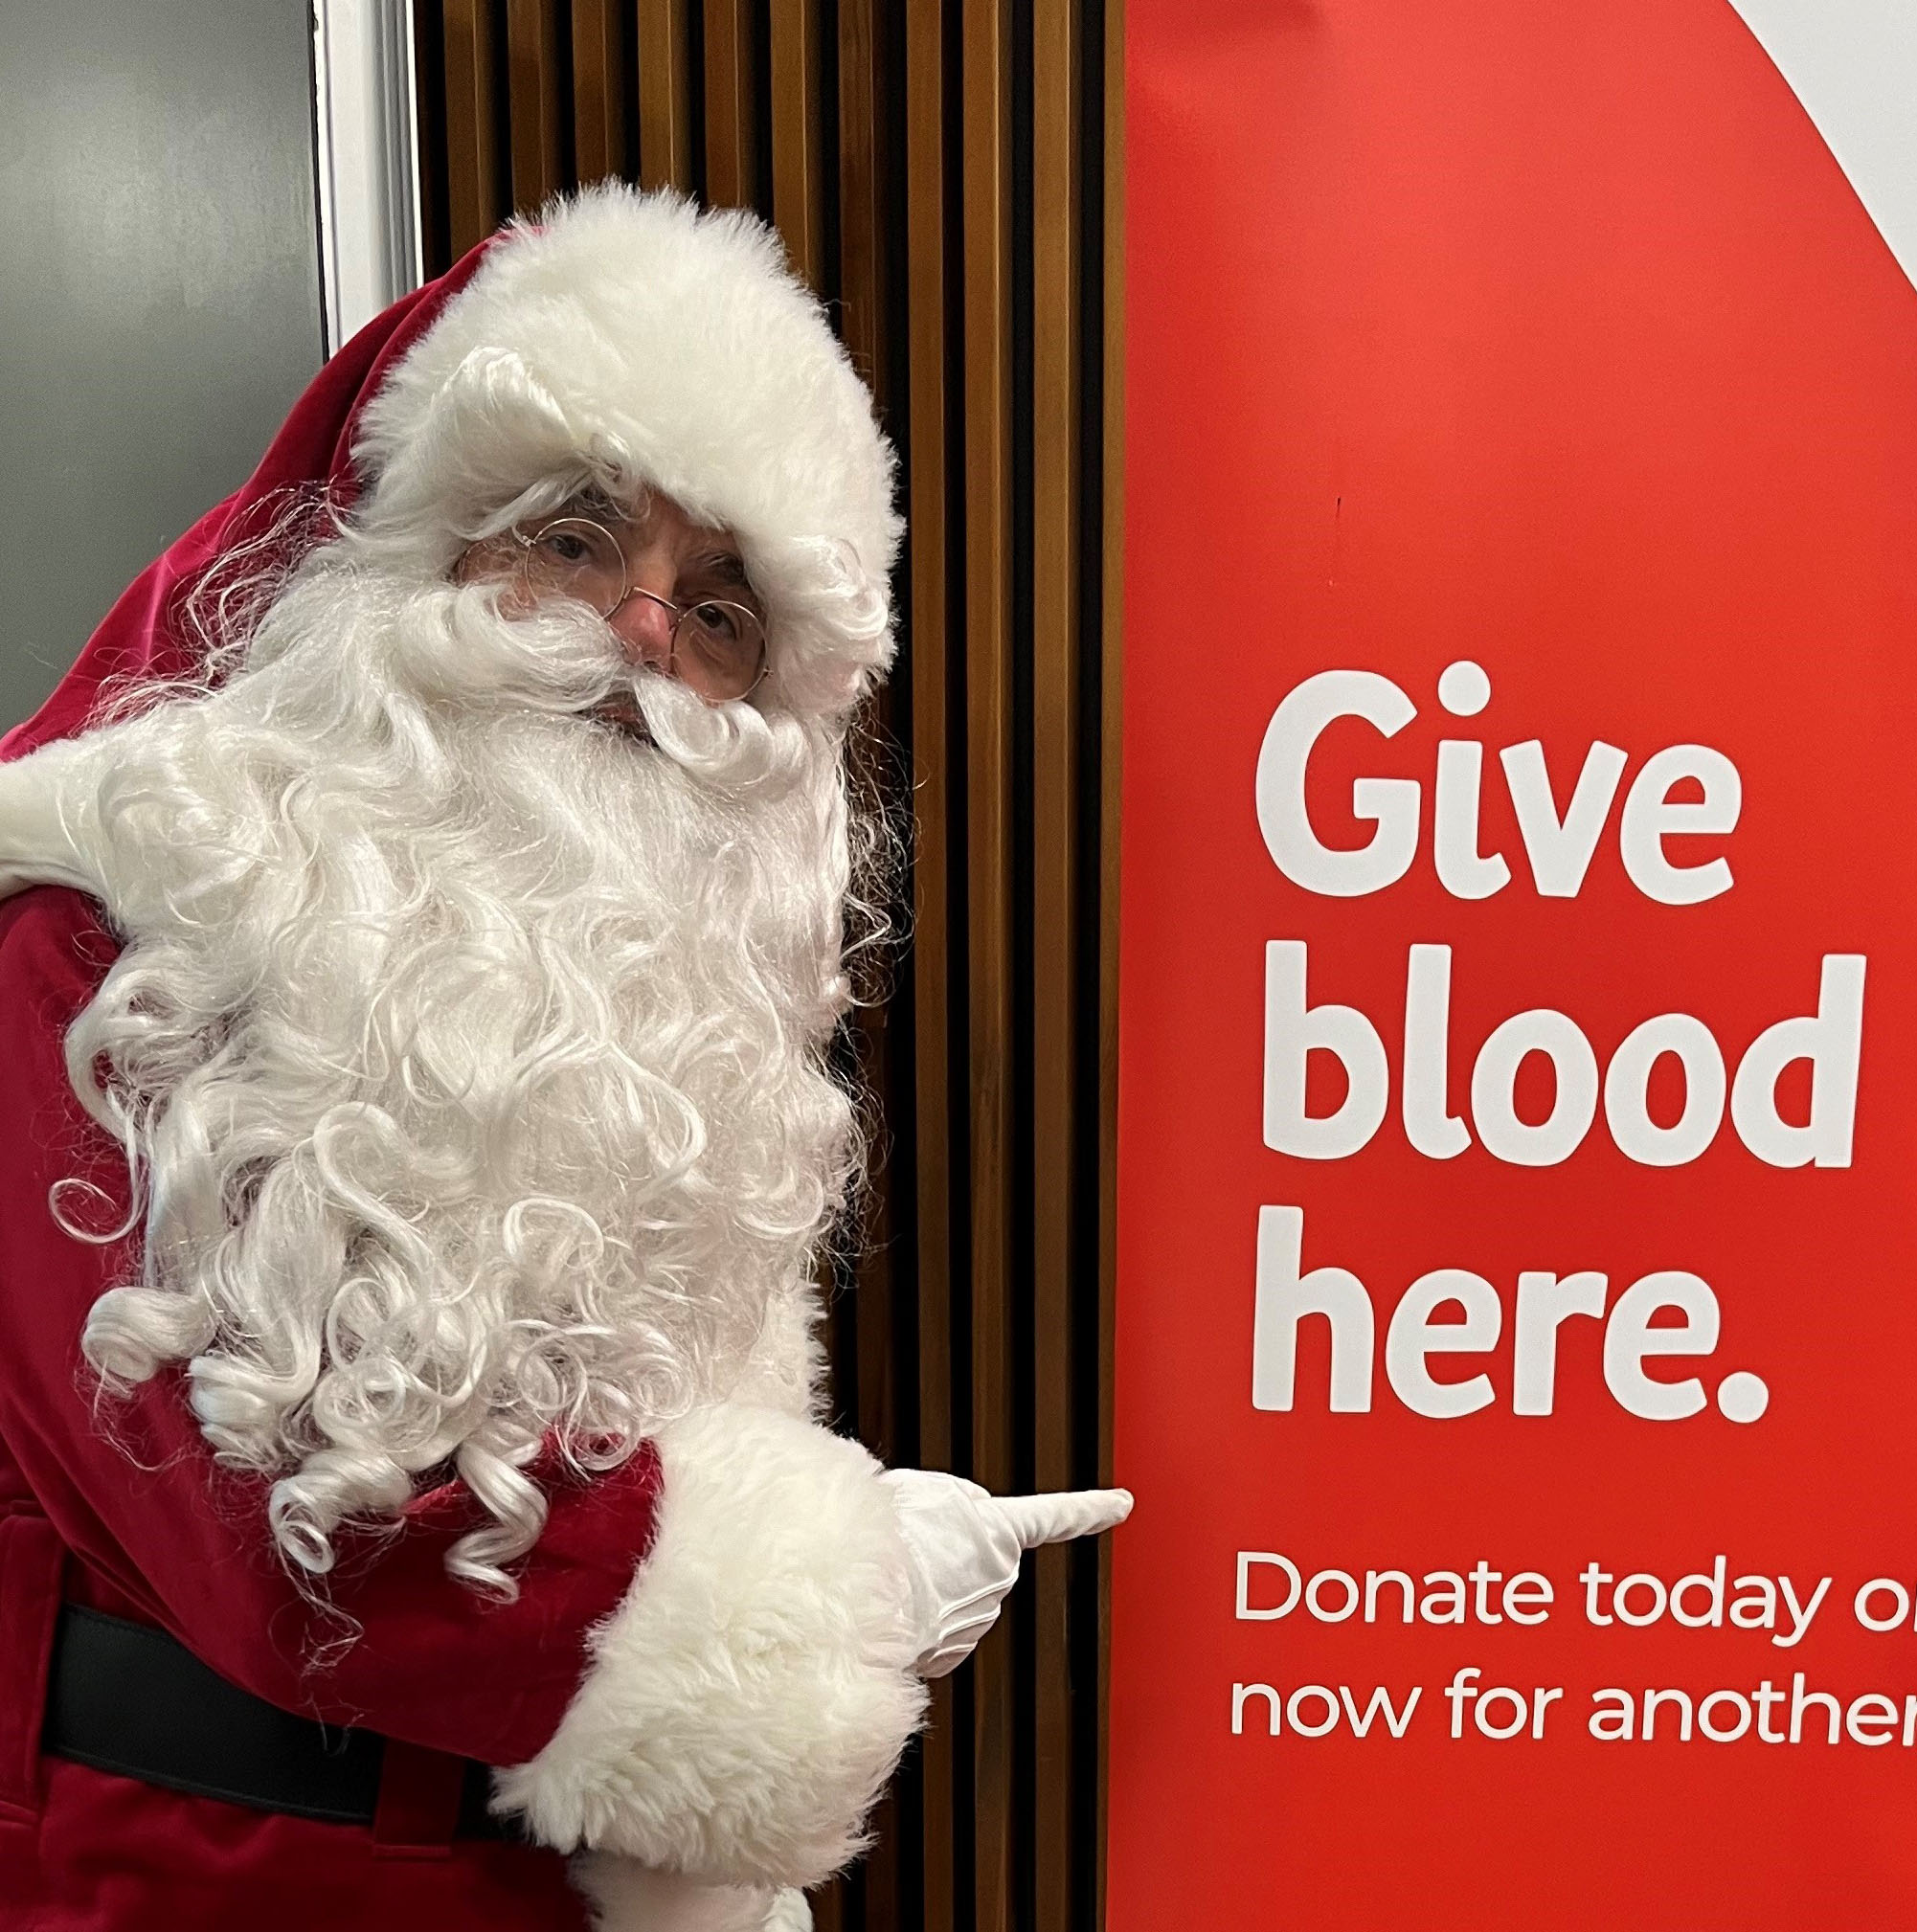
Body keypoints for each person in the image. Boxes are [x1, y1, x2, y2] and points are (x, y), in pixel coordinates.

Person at [0, 184, 1126, 1932]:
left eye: (722, 605)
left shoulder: (666, 1027)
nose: (642, 632)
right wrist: (821, 1597)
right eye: (578, 535)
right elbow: (275, 1554)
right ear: (411, 553)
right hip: (194, 1883)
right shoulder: (99, 936)